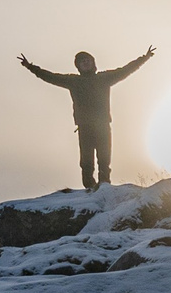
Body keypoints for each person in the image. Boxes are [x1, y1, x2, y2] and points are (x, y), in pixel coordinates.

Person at [19, 46, 156, 190]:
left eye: (87, 60)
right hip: (84, 127)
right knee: (86, 162)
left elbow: (125, 70)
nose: (85, 63)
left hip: (102, 125)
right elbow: (51, 77)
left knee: (104, 159)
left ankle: (104, 186)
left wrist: (144, 58)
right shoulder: (73, 81)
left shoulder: (104, 78)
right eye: (81, 61)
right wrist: (30, 67)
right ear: (78, 66)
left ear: (93, 62)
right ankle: (89, 188)